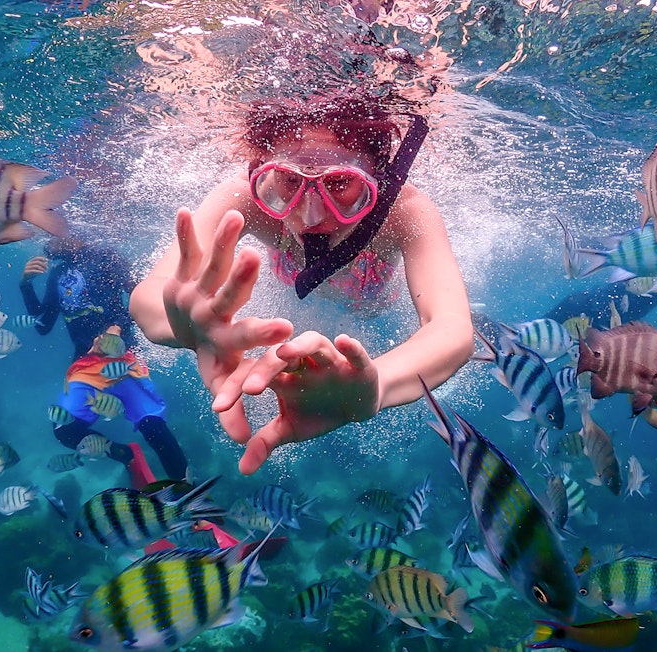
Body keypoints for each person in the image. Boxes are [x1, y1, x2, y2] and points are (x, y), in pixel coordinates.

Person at [129, 95, 474, 475]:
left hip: (375, 306)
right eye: (290, 180)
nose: (311, 214)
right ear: (263, 172)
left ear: (379, 176)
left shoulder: (405, 211)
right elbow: (151, 293)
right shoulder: (243, 198)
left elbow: (452, 329)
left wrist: (380, 385)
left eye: (341, 182)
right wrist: (184, 325)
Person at [52, 325, 189, 483]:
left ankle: (188, 488)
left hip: (124, 363)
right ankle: (125, 454)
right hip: (84, 369)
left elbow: (128, 311)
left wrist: (116, 328)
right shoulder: (57, 298)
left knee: (152, 425)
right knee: (63, 428)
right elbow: (44, 327)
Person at [20, 235, 136, 361]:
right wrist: (26, 284)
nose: (47, 242)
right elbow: (43, 326)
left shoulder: (107, 256)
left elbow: (140, 298)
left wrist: (117, 327)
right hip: (84, 359)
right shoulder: (58, 273)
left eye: (50, 233)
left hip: (123, 351)